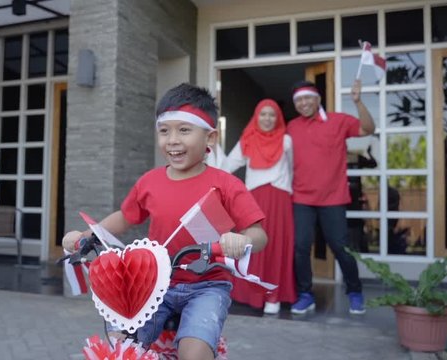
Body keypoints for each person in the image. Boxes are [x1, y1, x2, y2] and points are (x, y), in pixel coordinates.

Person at [63, 83, 267, 360]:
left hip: (207, 285)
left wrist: (241, 240)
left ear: (211, 137)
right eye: (164, 131)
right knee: (122, 343)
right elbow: (125, 217)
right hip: (156, 283)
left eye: (184, 130)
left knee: (193, 353)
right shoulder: (150, 182)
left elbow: (259, 234)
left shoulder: (225, 184)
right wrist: (85, 235)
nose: (172, 140)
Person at [287, 79, 375, 315]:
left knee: (340, 247)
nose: (303, 103)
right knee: (301, 246)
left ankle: (355, 291)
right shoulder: (291, 127)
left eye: (308, 98)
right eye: (298, 100)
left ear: (318, 100)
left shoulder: (338, 121)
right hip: (301, 198)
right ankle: (305, 294)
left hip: (333, 198)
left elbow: (368, 129)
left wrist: (358, 102)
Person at [210, 99, 296, 315]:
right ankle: (252, 295)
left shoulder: (286, 141)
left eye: (272, 115)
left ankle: (274, 295)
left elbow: (293, 170)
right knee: (253, 246)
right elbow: (226, 167)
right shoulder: (247, 139)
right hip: (253, 201)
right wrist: (211, 148)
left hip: (280, 200)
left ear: (278, 118)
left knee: (277, 246)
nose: (267, 119)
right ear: (256, 117)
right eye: (263, 114)